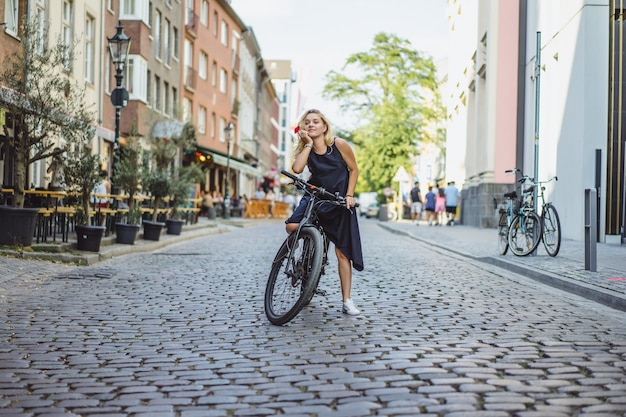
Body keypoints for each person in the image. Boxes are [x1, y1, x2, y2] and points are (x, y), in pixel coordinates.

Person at [286, 109, 364, 315]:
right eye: (307, 122)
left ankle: (347, 300)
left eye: (316, 122)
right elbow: (296, 169)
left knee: (342, 253)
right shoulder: (307, 149)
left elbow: (353, 169)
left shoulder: (338, 145)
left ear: (325, 126)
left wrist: (349, 195)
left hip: (339, 201)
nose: (311, 125)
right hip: (316, 196)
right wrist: (308, 144)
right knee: (291, 226)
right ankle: (309, 254)